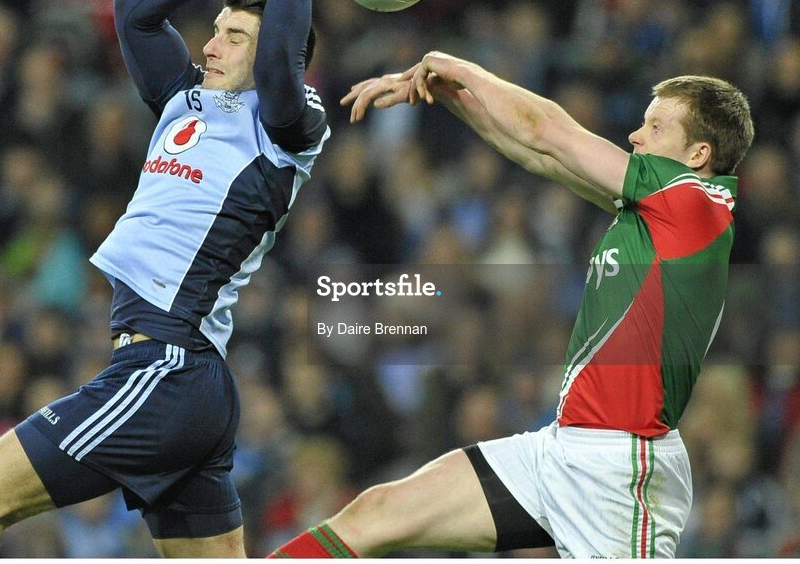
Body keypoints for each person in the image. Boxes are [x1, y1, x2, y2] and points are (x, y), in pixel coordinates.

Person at [0, 0, 330, 558]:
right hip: (186, 380)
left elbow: (286, 52)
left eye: (235, 37)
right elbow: (133, 11)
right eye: (216, 29)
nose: (211, 44)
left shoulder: (287, 124)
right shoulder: (185, 97)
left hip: (166, 368)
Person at [270, 51, 754, 558]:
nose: (636, 136)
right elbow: (536, 154)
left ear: (699, 154)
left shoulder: (695, 204)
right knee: (379, 514)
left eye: (655, 127)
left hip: (621, 472)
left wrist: (462, 69)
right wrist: (450, 96)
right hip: (561, 450)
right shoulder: (654, 209)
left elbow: (549, 131)